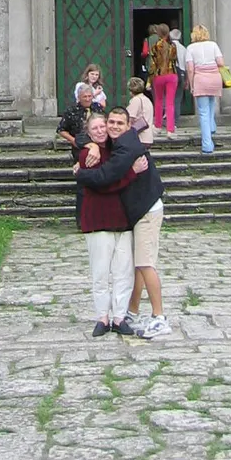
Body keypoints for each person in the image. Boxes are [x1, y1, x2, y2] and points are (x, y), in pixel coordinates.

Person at [75, 105, 170, 340]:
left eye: (120, 123)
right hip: (135, 213)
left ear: (129, 126)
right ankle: (131, 312)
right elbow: (81, 134)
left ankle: (159, 318)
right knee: (137, 266)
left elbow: (107, 176)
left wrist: (80, 174)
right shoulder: (112, 142)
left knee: (145, 264)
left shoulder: (126, 147)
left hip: (146, 210)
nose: (113, 127)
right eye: (111, 122)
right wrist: (89, 144)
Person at [72, 110, 140, 338]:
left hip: (121, 219)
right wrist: (131, 173)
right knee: (100, 272)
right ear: (89, 133)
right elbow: (102, 184)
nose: (101, 131)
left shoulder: (118, 150)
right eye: (95, 129)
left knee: (123, 271)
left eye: (103, 126)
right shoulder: (87, 156)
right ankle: (102, 316)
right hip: (97, 218)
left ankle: (119, 316)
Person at [186, 24, 226, 155]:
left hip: (200, 79)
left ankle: (207, 145)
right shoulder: (213, 45)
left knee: (203, 111)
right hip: (214, 77)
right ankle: (212, 127)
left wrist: (191, 85)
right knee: (211, 104)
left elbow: (190, 69)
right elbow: (220, 62)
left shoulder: (190, 48)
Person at [147, 22, 179, 136]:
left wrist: (149, 79)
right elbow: (174, 59)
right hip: (172, 74)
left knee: (159, 101)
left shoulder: (155, 46)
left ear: (158, 33)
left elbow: (153, 64)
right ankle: (170, 130)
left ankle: (158, 126)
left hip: (159, 75)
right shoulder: (172, 46)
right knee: (170, 103)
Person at [56, 83, 94, 152]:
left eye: (89, 96)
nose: (87, 99)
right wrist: (73, 141)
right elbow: (61, 130)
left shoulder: (97, 109)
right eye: (84, 97)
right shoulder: (71, 111)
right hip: (79, 147)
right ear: (79, 98)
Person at [125, 77, 154, 146]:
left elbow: (131, 118)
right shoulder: (147, 99)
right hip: (148, 136)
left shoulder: (136, 100)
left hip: (140, 137)